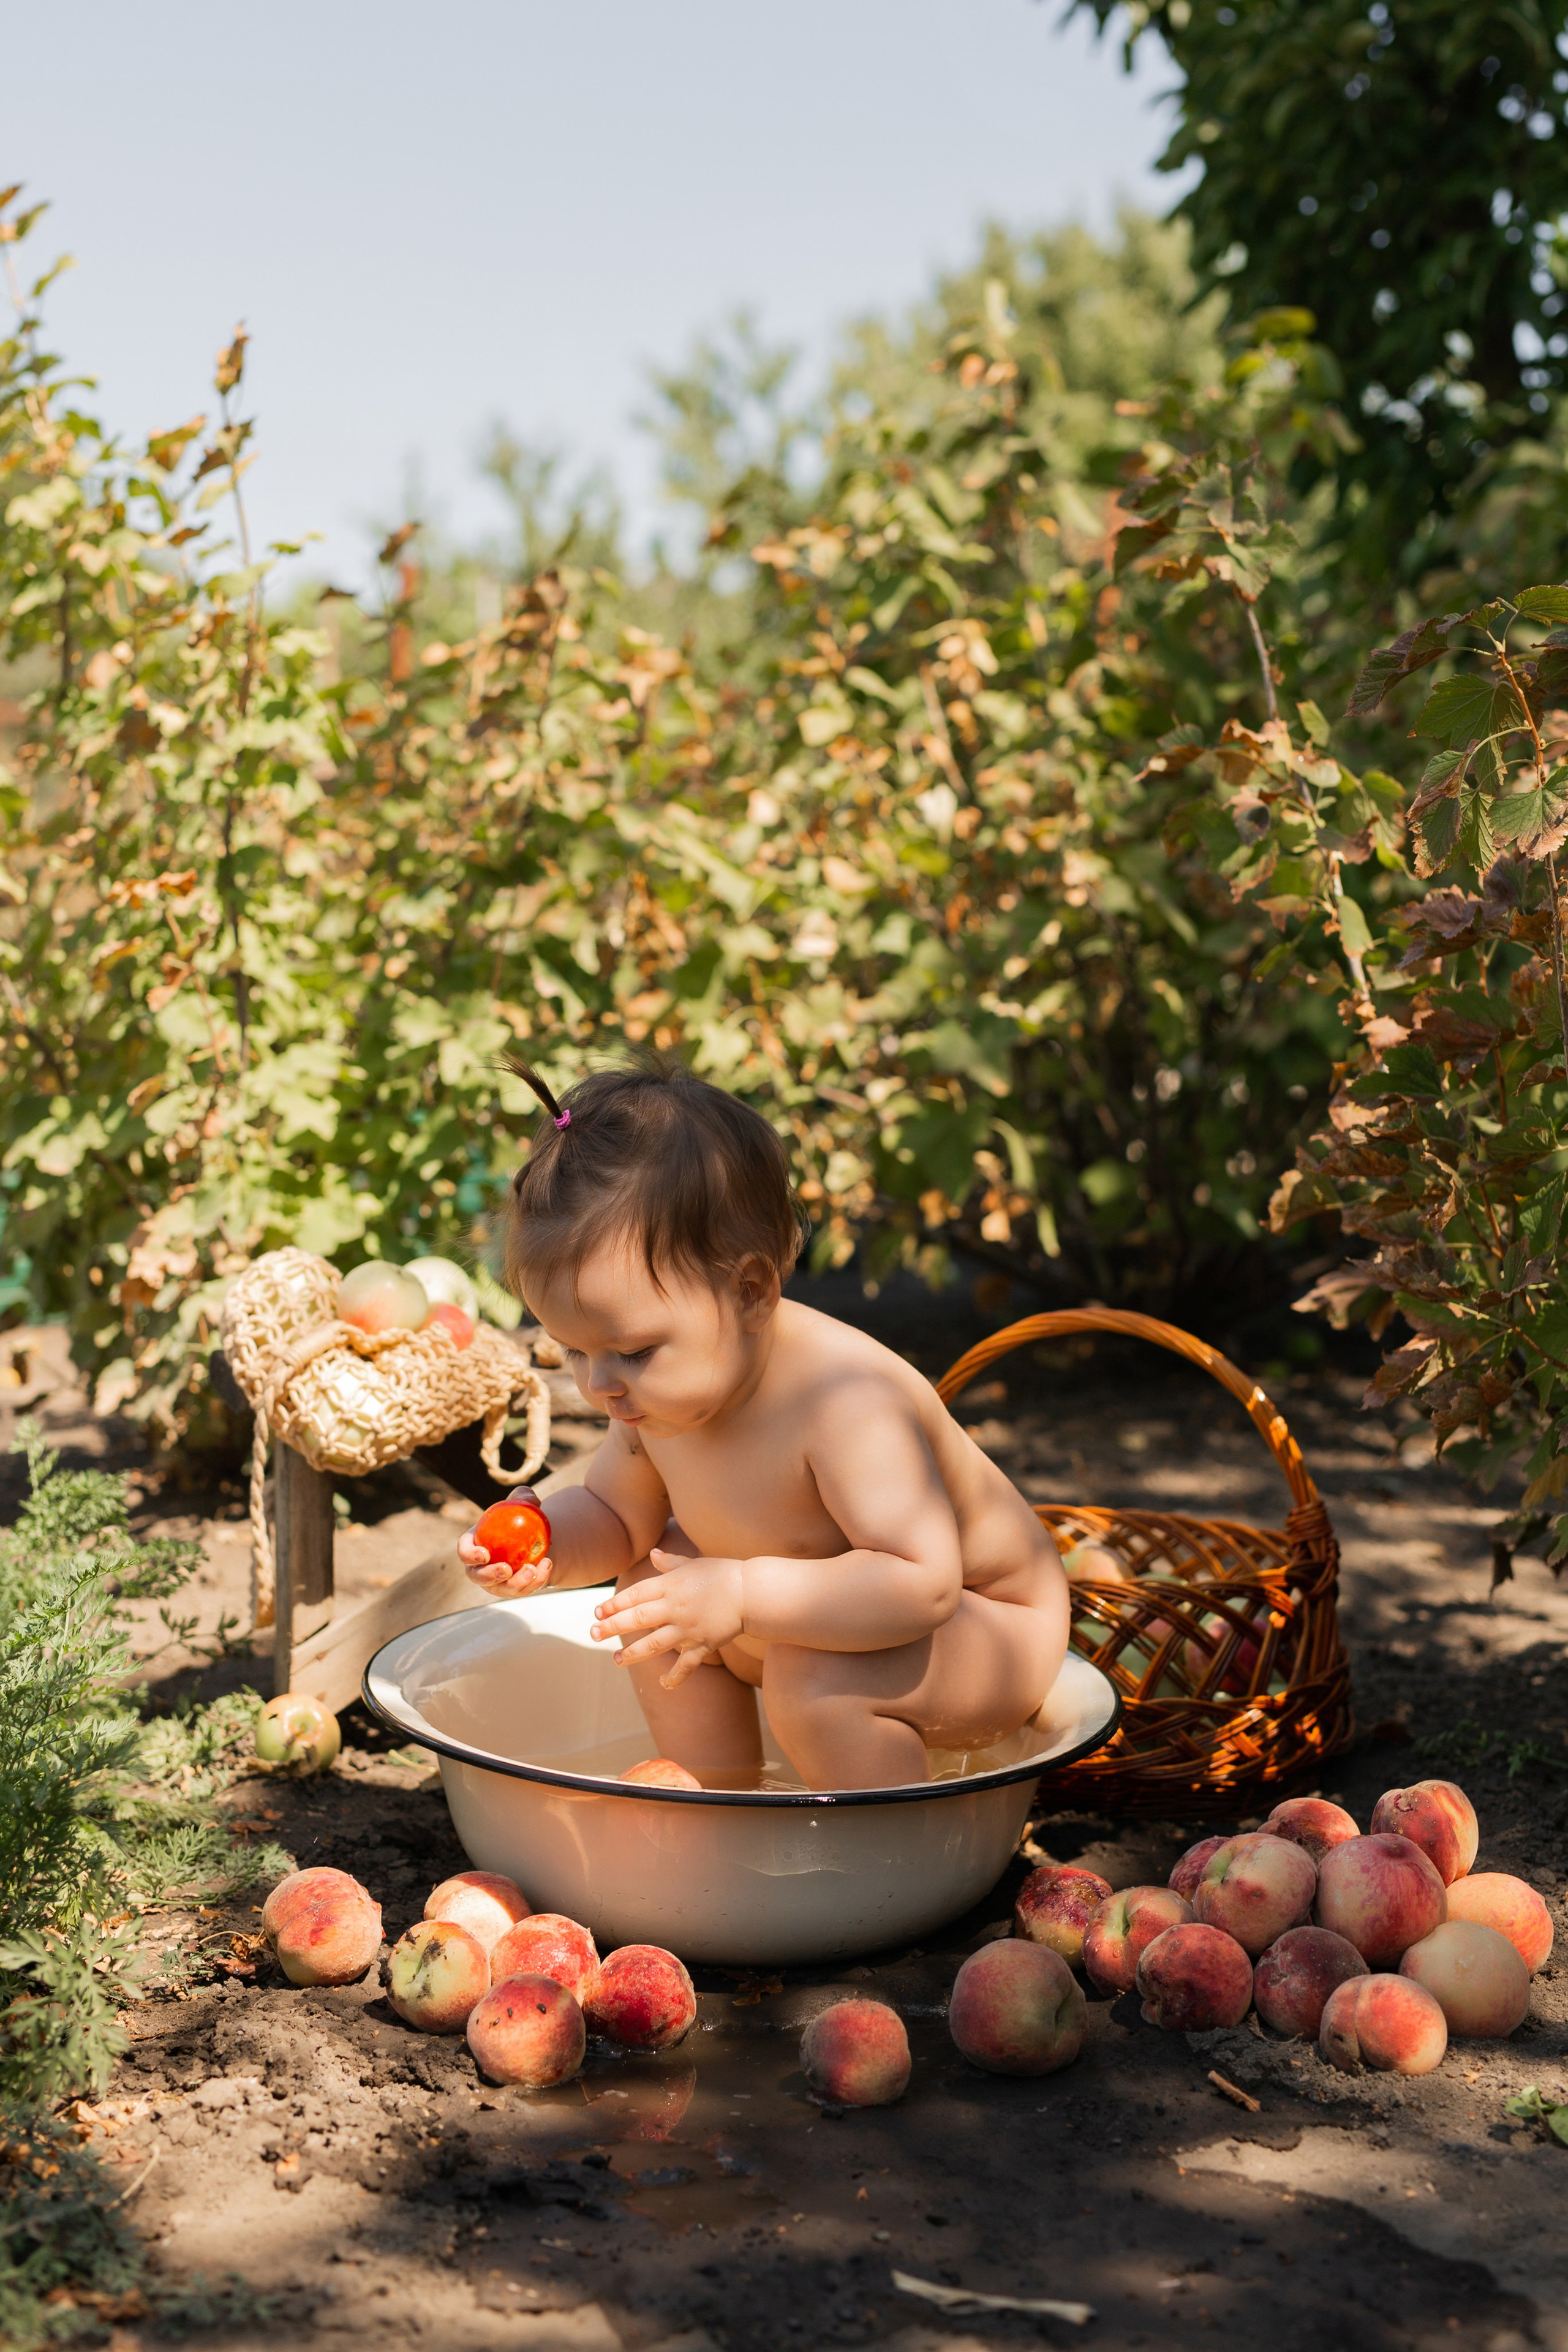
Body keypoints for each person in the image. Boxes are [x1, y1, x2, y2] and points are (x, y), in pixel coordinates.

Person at [458, 1057, 1069, 1792]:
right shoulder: (660, 1398)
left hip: (976, 1638)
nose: (599, 1385)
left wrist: (742, 1596)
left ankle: (888, 1858)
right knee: (651, 1588)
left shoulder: (844, 1400)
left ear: (749, 1289)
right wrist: (549, 1543)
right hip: (802, 1624)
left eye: (632, 1350)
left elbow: (922, 1584)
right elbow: (618, 1517)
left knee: (812, 1675)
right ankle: (719, 1797)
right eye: (574, 1352)